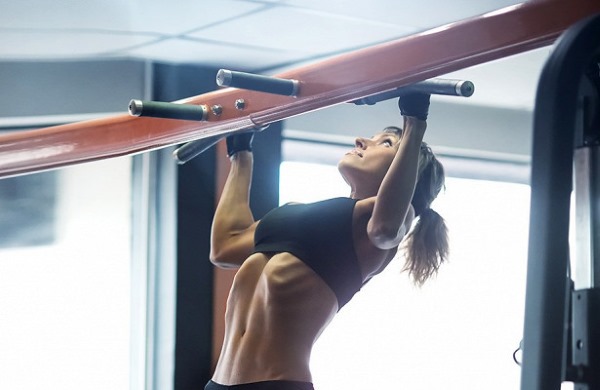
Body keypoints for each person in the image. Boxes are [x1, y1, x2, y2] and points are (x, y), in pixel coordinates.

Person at [205, 93, 449, 390]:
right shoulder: (291, 213)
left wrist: (414, 122)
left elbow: (386, 228)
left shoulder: (377, 229)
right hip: (217, 384)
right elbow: (225, 247)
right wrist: (241, 153)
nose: (361, 141)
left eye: (385, 143)